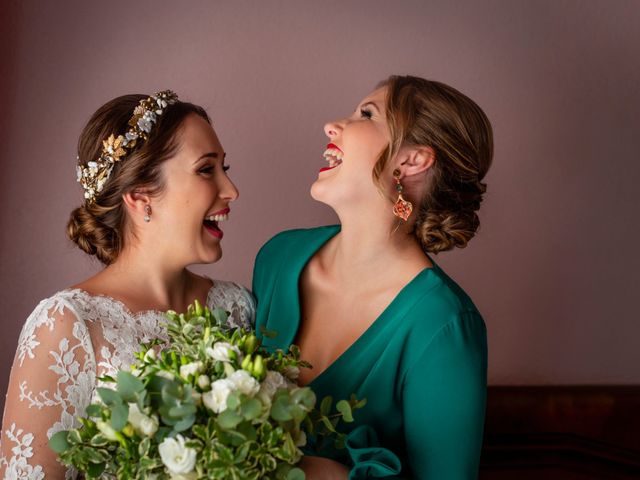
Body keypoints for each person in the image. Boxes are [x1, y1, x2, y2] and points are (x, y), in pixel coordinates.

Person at [0, 91, 255, 478]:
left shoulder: (239, 307)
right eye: (207, 169)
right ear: (140, 196)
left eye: (225, 168)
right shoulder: (68, 324)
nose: (231, 190)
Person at [252, 75, 493, 479]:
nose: (333, 125)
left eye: (367, 114)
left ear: (412, 160)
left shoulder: (444, 325)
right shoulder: (278, 258)